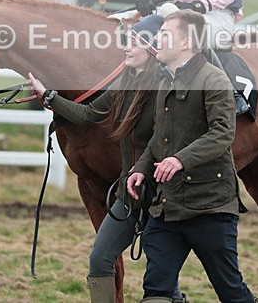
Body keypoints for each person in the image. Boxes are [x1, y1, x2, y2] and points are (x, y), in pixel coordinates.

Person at [27, 15, 186, 303]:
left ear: (151, 50)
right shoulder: (124, 84)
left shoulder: (167, 88)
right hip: (130, 194)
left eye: (133, 44)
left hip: (162, 198)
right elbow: (87, 115)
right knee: (100, 258)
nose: (125, 49)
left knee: (166, 278)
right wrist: (48, 96)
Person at [126, 10, 256, 303]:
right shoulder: (165, 81)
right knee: (156, 291)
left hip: (209, 207)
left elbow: (223, 133)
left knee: (230, 291)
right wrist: (141, 168)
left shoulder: (214, 80)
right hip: (166, 209)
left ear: (186, 42)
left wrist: (180, 159)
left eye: (165, 35)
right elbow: (161, 136)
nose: (157, 39)